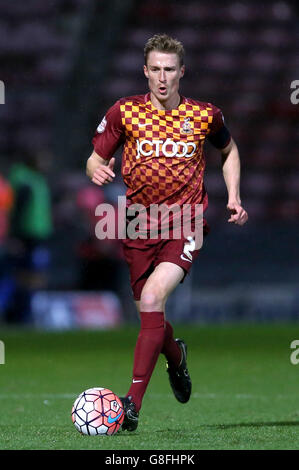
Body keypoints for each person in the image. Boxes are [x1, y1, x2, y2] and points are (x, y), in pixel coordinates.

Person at [86, 33, 248, 431]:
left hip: (184, 221)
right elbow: (93, 159)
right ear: (145, 71)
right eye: (155, 69)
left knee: (155, 296)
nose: (162, 78)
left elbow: (228, 150)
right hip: (138, 225)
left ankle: (131, 404)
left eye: (169, 70)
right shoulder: (125, 112)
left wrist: (234, 195)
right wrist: (96, 170)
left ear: (182, 72)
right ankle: (175, 357)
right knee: (149, 309)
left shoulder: (204, 115)